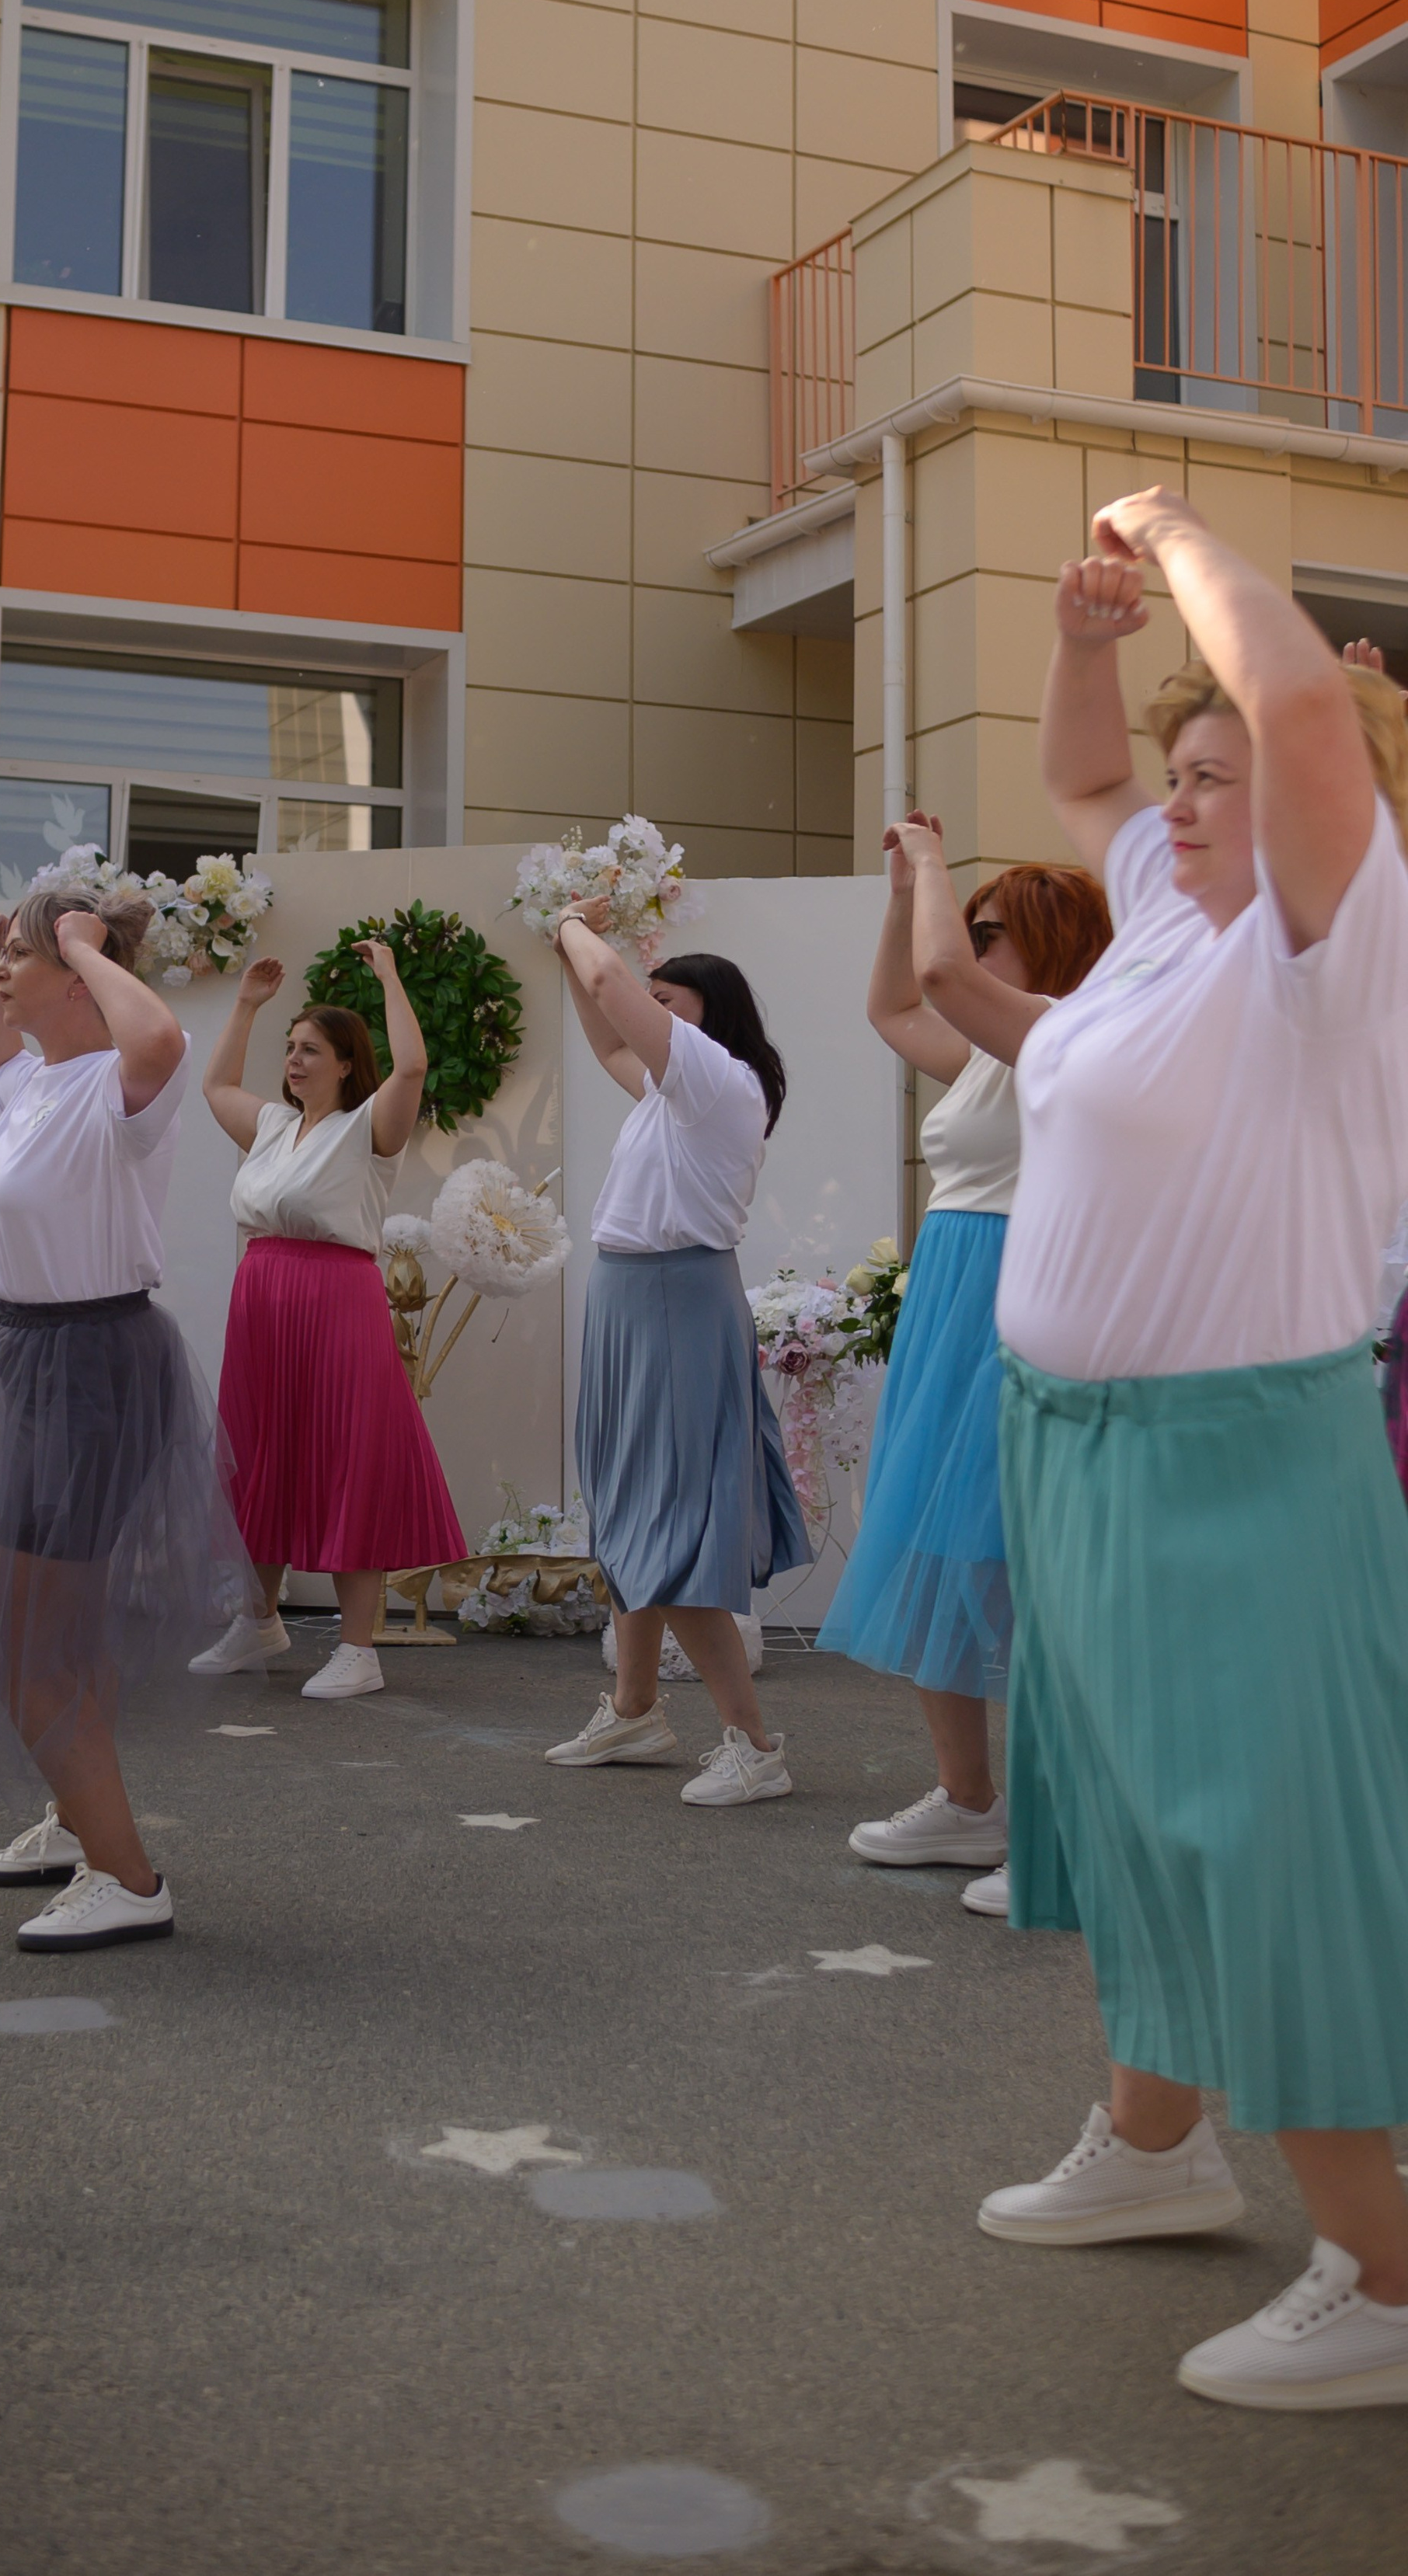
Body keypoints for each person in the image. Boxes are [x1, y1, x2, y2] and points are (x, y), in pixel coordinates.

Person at [981, 487, 1408, 2413]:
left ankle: (1384, 2268)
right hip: (1071, 1443)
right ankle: (1155, 2144)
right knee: (1135, 1815)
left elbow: (1303, 717)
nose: (1177, 797)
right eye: (1179, 770)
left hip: (1238, 1465)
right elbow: (1080, 773)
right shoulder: (1167, 908)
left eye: (1214, 773)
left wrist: (1166, 526)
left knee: (1269, 1847)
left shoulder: (1335, 940)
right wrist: (1087, 643)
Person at [0, 889, 254, 1950]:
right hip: (27, 1354)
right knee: (47, 1633)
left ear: (78, 974)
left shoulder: (127, 1088)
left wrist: (75, 932)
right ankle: (81, 1827)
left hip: (87, 1364)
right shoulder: (30, 1080)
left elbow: (160, 1032)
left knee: (10, 1641)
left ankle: (129, 1875)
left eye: (19, 959)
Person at [821, 824, 1110, 1915]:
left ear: (1050, 943)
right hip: (955, 1292)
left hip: (1017, 1298)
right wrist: (903, 893)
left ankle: (1062, 1829)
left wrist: (936, 863)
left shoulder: (1068, 1033)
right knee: (947, 1550)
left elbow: (937, 979)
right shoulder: (995, 1051)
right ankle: (970, 1798)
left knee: (1032, 1567)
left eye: (995, 930)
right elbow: (896, 1005)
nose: (970, 943)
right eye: (974, 925)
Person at [543, 906, 808, 1804]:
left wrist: (575, 924)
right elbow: (606, 1028)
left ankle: (753, 1746)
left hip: (671, 1296)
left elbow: (610, 988)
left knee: (672, 1524)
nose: (641, 1011)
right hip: (633, 1295)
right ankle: (635, 1707)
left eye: (666, 999)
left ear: (708, 1013)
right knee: (626, 1510)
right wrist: (571, 961)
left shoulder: (719, 1082)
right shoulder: (670, 1089)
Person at [195, 945, 464, 1699]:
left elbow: (409, 1069)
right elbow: (214, 1084)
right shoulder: (274, 1126)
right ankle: (256, 1620)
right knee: (259, 1453)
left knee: (348, 1454)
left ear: (347, 1063)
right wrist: (245, 1004)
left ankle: (358, 1649)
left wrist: (388, 977)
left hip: (337, 1301)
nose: (293, 1060)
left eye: (309, 1049)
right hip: (262, 1305)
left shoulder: (368, 1131)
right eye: (290, 1049)